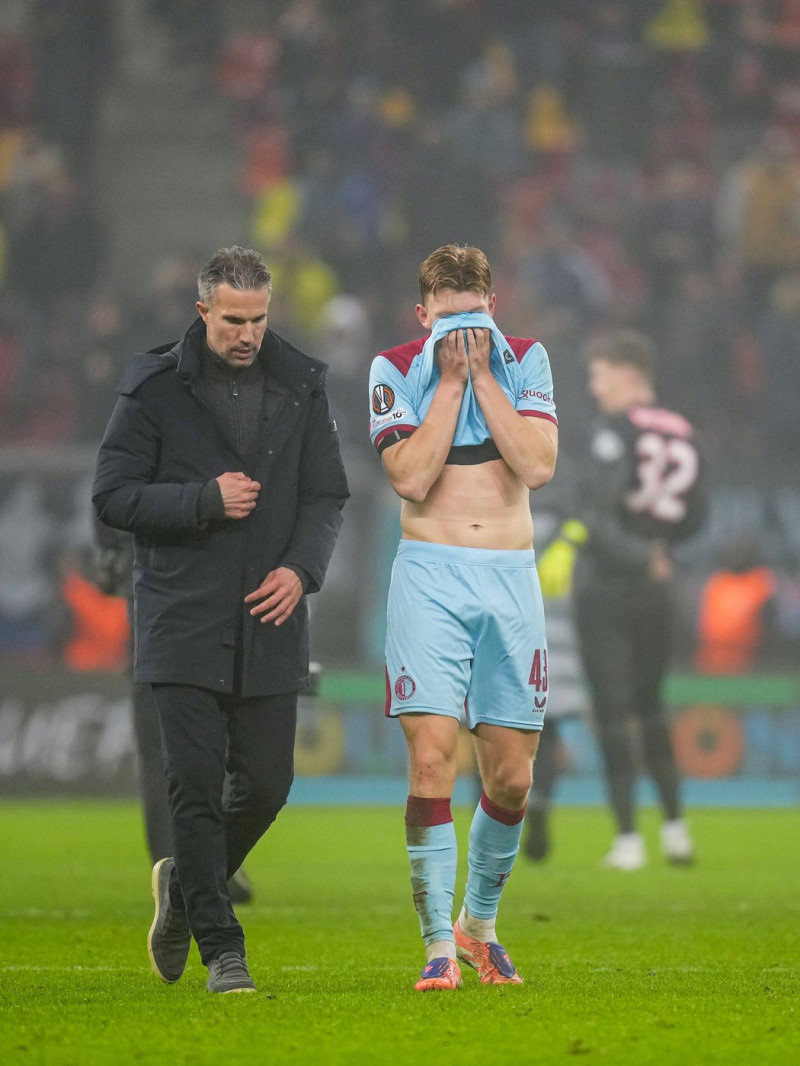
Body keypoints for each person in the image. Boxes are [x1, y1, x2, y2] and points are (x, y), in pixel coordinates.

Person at [93, 245, 348, 994]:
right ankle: (222, 949)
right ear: (203, 311)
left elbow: (326, 497)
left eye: (259, 319)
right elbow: (111, 498)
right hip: (181, 614)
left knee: (267, 785)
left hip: (271, 615)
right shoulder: (152, 387)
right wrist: (203, 500)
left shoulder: (302, 384)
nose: (248, 333)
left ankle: (182, 887)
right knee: (194, 786)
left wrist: (301, 572)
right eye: (234, 319)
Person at [368, 244, 558, 991]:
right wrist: (449, 381)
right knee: (430, 761)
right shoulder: (393, 368)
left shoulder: (526, 359)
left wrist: (482, 373)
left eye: (473, 319)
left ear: (492, 306)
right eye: (447, 322)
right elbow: (411, 478)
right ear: (423, 315)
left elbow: (538, 466)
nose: (462, 333)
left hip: (512, 580)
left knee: (511, 780)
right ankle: (435, 950)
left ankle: (476, 926)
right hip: (431, 578)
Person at [572, 328, 706, 871]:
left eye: (599, 375)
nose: (593, 387)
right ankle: (676, 829)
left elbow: (594, 513)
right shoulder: (683, 431)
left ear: (628, 374)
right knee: (652, 705)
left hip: (609, 583)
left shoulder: (613, 431)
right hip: (660, 585)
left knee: (611, 712)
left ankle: (628, 838)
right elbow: (700, 515)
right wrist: (662, 551)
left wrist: (634, 553)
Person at [91, 524, 254, 903]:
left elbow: (111, 490)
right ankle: (182, 869)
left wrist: (109, 551)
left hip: (174, 592)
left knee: (171, 748)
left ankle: (200, 863)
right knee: (178, 742)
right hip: (174, 596)